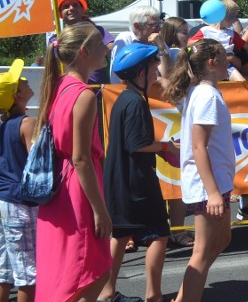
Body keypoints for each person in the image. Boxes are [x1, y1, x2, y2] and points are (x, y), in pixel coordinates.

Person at [35, 23, 113, 302]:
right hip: (77, 190)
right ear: (84, 51)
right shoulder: (83, 94)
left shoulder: (58, 87)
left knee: (69, 272)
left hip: (60, 188)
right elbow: (81, 158)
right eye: (101, 43)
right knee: (89, 270)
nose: (106, 47)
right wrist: (100, 210)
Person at [99, 44, 179, 302]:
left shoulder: (124, 98)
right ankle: (153, 295)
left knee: (121, 234)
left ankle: (107, 292)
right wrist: (168, 146)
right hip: (137, 181)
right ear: (141, 73)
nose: (156, 73)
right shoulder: (135, 102)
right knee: (159, 235)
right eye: (154, 69)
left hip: (119, 178)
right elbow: (138, 145)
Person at [162, 39, 235, 302]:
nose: (230, 61)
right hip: (208, 185)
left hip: (217, 182)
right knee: (202, 253)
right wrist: (213, 193)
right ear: (212, 63)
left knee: (223, 239)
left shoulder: (204, 92)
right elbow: (198, 146)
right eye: (225, 58)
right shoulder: (206, 95)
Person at [0, 59, 37, 302]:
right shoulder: (27, 124)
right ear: (17, 95)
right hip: (20, 202)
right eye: (20, 81)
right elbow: (36, 165)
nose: (25, 80)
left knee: (2, 267)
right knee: (28, 271)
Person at [159, 17, 196, 250]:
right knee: (176, 178)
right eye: (183, 32)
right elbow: (169, 79)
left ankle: (177, 228)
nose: (187, 36)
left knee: (178, 179)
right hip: (173, 119)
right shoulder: (174, 53)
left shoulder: (181, 52)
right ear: (172, 33)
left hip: (178, 118)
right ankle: (177, 229)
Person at [49, 0, 115, 84]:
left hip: (99, 90)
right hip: (72, 87)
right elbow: (57, 66)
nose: (71, 8)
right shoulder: (56, 39)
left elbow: (113, 49)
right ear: (60, 13)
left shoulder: (97, 31)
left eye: (75, 5)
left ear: (83, 10)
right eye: (66, 6)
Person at [110, 6, 171, 85]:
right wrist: (159, 80)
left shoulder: (159, 41)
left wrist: (161, 47)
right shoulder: (125, 38)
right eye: (153, 25)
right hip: (129, 94)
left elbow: (167, 75)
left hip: (155, 95)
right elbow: (125, 77)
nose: (158, 29)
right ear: (137, 26)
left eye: (160, 24)